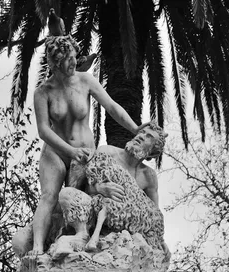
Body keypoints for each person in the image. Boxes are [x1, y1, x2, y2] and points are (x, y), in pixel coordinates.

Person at [31, 34, 145, 256]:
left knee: (89, 197)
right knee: (48, 196)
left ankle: (85, 243)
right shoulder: (43, 92)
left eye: (74, 57)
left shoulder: (85, 80)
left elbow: (112, 107)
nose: (74, 62)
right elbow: (44, 130)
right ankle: (37, 248)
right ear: (55, 62)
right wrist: (70, 151)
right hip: (56, 152)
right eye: (68, 60)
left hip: (85, 154)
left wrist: (135, 129)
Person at [83, 122, 168, 251]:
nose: (141, 136)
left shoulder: (148, 176)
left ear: (152, 153)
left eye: (148, 136)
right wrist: (99, 188)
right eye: (141, 132)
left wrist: (160, 240)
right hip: (94, 216)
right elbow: (82, 186)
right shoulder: (107, 152)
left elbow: (153, 214)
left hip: (127, 233)